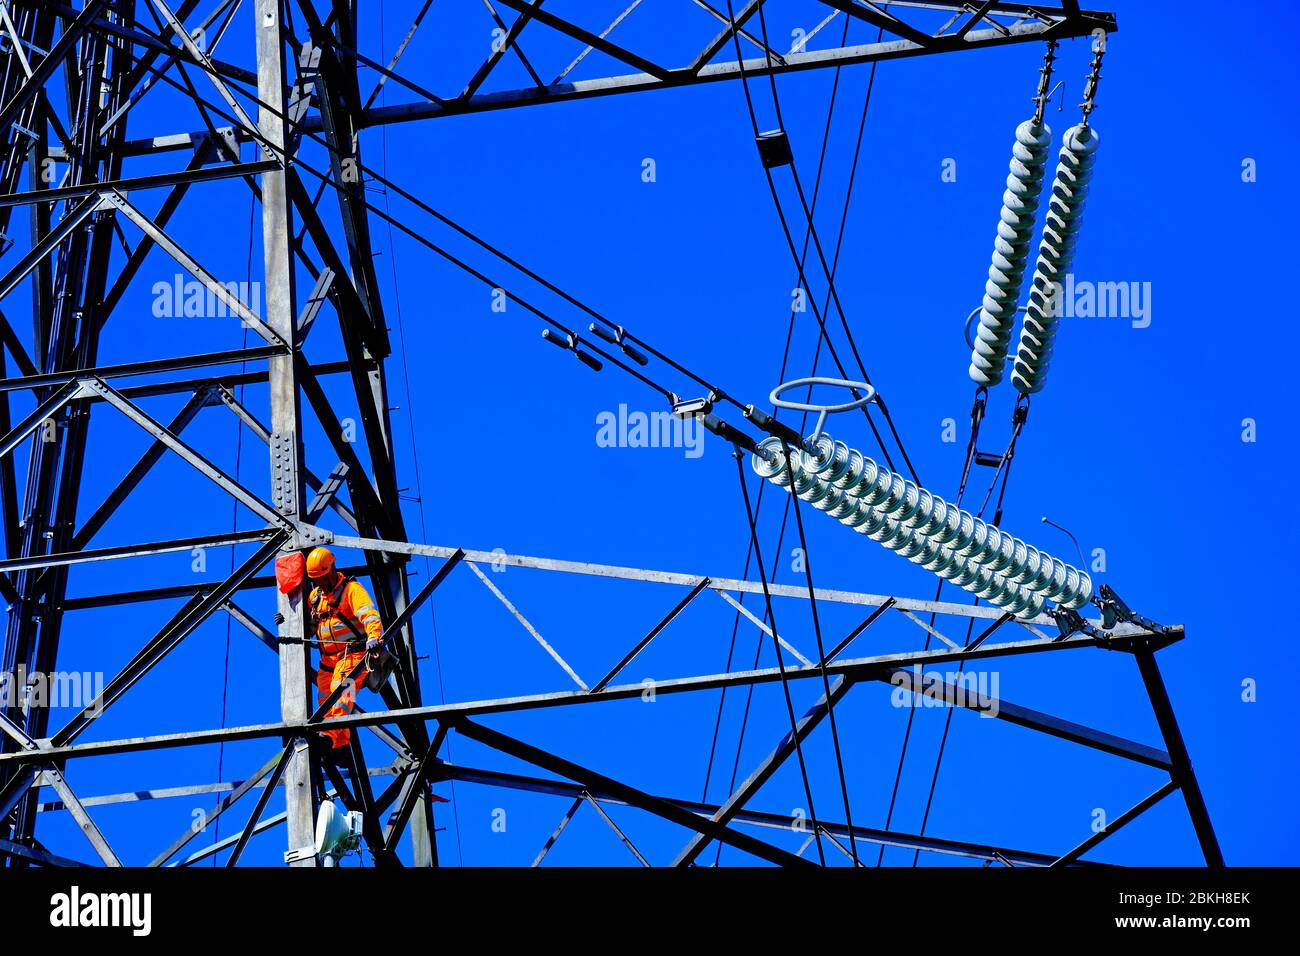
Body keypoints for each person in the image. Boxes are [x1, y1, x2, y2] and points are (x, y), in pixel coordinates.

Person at [306, 547, 384, 750]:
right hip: (328, 662)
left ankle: (330, 735)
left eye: (321, 578)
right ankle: (340, 746)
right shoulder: (315, 597)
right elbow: (311, 627)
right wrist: (287, 621)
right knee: (325, 703)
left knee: (341, 693)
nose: (319, 584)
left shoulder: (351, 589)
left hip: (353, 655)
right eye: (316, 580)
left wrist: (374, 636)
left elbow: (369, 614)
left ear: (331, 570)